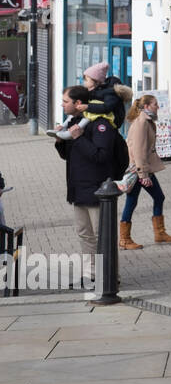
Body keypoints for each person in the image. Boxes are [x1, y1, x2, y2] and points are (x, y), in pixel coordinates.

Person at [54, 85, 128, 292]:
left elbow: (101, 156)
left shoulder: (101, 125)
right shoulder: (76, 122)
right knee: (85, 234)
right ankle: (90, 274)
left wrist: (78, 138)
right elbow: (70, 155)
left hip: (97, 191)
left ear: (79, 104)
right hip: (78, 189)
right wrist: (61, 141)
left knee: (103, 235)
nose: (62, 105)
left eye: (65, 101)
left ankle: (111, 276)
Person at [119, 94, 171, 249]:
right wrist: (143, 175)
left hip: (142, 168)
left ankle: (159, 234)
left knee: (152, 198)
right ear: (146, 107)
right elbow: (138, 151)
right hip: (139, 169)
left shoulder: (147, 121)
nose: (158, 106)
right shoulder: (141, 123)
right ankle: (125, 239)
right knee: (134, 201)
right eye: (155, 104)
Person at [82, 61, 131, 131]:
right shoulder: (95, 91)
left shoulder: (110, 92)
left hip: (112, 122)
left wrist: (87, 107)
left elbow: (106, 107)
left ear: (96, 81)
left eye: (86, 80)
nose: (84, 82)